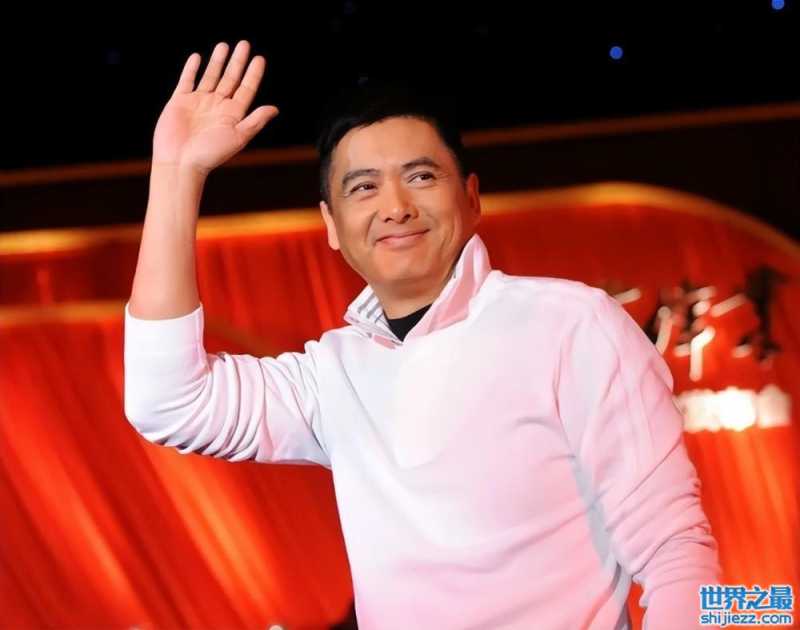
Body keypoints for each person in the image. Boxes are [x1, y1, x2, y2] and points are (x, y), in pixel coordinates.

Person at [124, 40, 721, 629]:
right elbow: (169, 401)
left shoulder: (571, 326)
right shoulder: (334, 373)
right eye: (363, 187)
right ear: (331, 224)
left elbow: (675, 552)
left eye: (421, 176)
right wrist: (177, 174)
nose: (396, 206)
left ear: (471, 198)